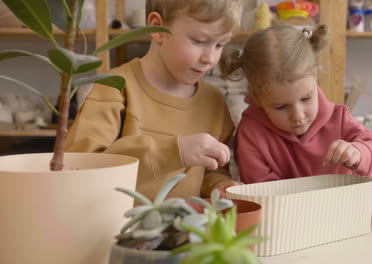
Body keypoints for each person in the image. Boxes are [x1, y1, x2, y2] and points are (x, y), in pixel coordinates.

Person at [65, 0, 243, 199]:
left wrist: (219, 185)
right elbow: (80, 169)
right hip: (116, 228)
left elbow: (212, 171)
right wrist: (175, 152)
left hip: (187, 228)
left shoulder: (214, 102)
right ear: (157, 28)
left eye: (220, 45)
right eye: (199, 41)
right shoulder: (114, 88)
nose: (210, 58)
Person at [219, 25, 372, 187]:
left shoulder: (338, 118)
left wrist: (360, 152)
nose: (298, 115)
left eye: (306, 98)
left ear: (315, 76)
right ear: (255, 97)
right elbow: (262, 195)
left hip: (346, 219)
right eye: (281, 107)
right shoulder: (251, 133)